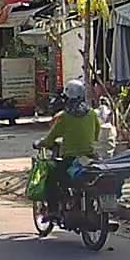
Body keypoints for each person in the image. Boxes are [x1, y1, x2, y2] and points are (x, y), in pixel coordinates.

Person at [34, 79, 100, 208]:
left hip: (70, 159)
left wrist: (40, 143)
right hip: (91, 157)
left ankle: (53, 209)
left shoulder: (64, 116)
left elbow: (50, 139)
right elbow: (96, 134)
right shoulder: (92, 113)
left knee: (50, 175)